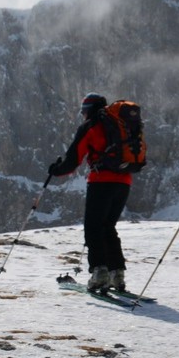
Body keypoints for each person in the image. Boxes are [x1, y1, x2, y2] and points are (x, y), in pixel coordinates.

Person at [49, 93, 135, 293]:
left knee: (93, 228)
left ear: (88, 111)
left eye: (83, 112)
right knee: (108, 227)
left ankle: (99, 274)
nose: (83, 116)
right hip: (124, 182)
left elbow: (73, 160)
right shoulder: (121, 124)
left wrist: (56, 169)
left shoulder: (91, 127)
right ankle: (117, 274)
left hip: (101, 181)